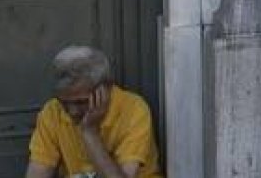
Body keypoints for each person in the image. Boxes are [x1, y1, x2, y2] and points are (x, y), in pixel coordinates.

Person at [24, 45, 162, 178]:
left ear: (106, 89)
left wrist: (89, 132)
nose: (72, 111)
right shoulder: (52, 112)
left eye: (81, 102)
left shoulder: (134, 109)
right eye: (64, 102)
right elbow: (37, 173)